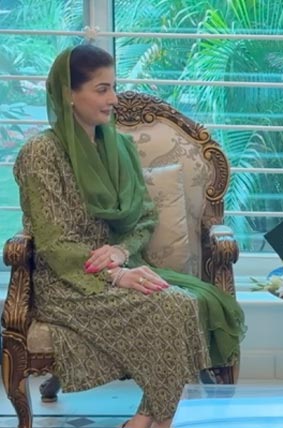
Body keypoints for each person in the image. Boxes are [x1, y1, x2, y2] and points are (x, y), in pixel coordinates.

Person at [13, 44, 246, 428]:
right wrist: (115, 275)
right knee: (173, 307)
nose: (114, 99)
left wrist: (122, 252)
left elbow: (145, 217)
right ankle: (157, 420)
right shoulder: (41, 153)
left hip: (120, 264)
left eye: (114, 87)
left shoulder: (118, 145)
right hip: (68, 282)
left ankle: (145, 418)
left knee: (183, 304)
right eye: (102, 89)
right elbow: (54, 242)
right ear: (69, 94)